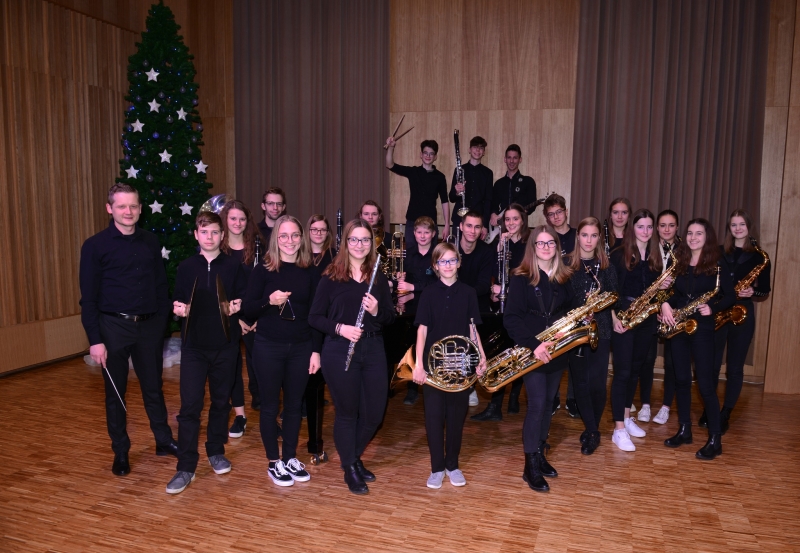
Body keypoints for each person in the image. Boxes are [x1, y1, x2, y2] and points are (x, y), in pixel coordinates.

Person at [79, 183, 176, 477]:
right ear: (110, 209)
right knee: (115, 393)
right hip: (113, 328)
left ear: (140, 209)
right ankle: (120, 450)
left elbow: (160, 286)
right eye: (121, 206)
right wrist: (95, 340)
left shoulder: (150, 241)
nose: (128, 211)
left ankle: (163, 440)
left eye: (133, 205)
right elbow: (88, 298)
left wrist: (160, 324)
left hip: (149, 327)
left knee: (153, 387)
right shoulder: (94, 246)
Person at [309, 219, 396, 494]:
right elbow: (314, 317)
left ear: (372, 244)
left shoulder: (377, 276)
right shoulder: (331, 276)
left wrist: (376, 311)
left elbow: (390, 317)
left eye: (365, 240)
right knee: (347, 413)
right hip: (338, 348)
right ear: (345, 242)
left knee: (374, 414)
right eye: (354, 239)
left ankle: (352, 457)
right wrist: (340, 328)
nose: (360, 245)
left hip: (373, 347)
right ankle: (350, 467)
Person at [167, 211, 247, 494]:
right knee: (190, 407)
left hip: (225, 346)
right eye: (204, 232)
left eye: (214, 232)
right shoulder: (186, 267)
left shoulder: (233, 266)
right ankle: (186, 465)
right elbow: (177, 300)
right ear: (196, 235)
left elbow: (244, 297)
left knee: (221, 403)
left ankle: (215, 450)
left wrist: (238, 306)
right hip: (194, 348)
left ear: (222, 235)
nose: (209, 237)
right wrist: (178, 309)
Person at [243, 215, 321, 486]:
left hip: (301, 347)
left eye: (295, 235)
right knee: (269, 406)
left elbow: (316, 315)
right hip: (268, 346)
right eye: (284, 235)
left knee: (293, 406)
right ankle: (273, 462)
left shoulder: (310, 271)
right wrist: (269, 301)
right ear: (276, 239)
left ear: (302, 238)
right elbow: (248, 309)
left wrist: (316, 351)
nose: (290, 241)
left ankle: (289, 457)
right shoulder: (263, 270)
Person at [503, 225, 574, 492]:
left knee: (548, 405)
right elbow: (511, 318)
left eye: (550, 243)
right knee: (537, 404)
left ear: (557, 247)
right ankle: (530, 465)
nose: (546, 248)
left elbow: (570, 311)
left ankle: (541, 452)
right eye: (540, 243)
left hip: (557, 350)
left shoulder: (564, 277)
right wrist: (534, 345)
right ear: (532, 247)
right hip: (531, 350)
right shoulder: (520, 277)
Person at [413, 242, 487, 488]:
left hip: (461, 366)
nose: (448, 265)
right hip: (433, 366)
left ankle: (452, 465)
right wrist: (418, 365)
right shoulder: (428, 293)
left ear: (459, 263)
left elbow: (472, 329)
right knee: (434, 418)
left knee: (456, 418)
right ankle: (436, 468)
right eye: (442, 261)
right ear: (435, 266)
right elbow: (422, 331)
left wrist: (481, 356)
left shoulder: (468, 293)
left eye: (452, 260)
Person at [661, 218, 734, 460]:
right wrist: (666, 304)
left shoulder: (717, 263)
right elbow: (672, 293)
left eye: (699, 233)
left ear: (707, 236)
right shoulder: (679, 261)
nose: (693, 237)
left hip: (702, 327)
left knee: (705, 385)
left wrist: (713, 307)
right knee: (681, 380)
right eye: (690, 233)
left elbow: (730, 296)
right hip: (680, 325)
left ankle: (715, 439)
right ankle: (685, 430)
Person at [609, 209, 668, 452]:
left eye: (649, 227)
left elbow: (657, 292)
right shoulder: (618, 254)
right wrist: (613, 318)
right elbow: (608, 290)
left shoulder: (656, 256)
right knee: (622, 373)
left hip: (646, 319)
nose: (645, 231)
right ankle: (618, 430)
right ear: (632, 229)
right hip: (623, 317)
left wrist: (663, 288)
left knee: (635, 371)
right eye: (640, 226)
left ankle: (626, 417)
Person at [709, 209, 770, 434]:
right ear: (729, 228)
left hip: (742, 313)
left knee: (735, 368)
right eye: (733, 225)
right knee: (712, 365)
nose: (737, 229)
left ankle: (726, 412)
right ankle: (710, 408)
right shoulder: (717, 252)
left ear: (749, 227)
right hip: (719, 311)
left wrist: (753, 291)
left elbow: (765, 290)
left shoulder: (760, 257)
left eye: (741, 224)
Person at [472, 204, 529, 421]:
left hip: (522, 306)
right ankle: (495, 406)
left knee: (519, 352)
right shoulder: (501, 242)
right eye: (507, 219)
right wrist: (499, 250)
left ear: (522, 221)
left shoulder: (529, 244)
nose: (511, 223)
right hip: (502, 306)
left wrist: (507, 289)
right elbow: (494, 273)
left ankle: (514, 397)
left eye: (515, 219)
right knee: (501, 352)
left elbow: (529, 277)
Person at [566, 217, 617, 455]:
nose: (588, 240)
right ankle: (593, 430)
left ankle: (592, 428)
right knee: (580, 383)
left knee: (597, 384)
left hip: (601, 329)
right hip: (576, 331)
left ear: (599, 238)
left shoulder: (606, 266)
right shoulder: (567, 264)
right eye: (584, 235)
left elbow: (614, 296)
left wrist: (598, 305)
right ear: (578, 236)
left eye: (593, 235)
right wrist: (580, 306)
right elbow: (562, 298)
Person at [220, 200, 265, 438]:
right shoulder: (217, 248)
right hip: (228, 317)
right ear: (225, 220)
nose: (238, 223)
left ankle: (267, 414)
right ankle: (240, 416)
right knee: (232, 368)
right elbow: (217, 288)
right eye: (233, 218)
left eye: (242, 219)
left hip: (254, 315)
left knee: (262, 366)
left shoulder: (257, 247)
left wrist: (257, 316)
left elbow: (265, 283)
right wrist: (235, 319)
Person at [397, 216, 439, 405]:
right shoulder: (408, 254)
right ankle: (412, 388)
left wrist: (413, 287)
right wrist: (399, 278)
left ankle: (434, 382)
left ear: (433, 234)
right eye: (419, 232)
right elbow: (403, 282)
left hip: (432, 307)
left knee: (431, 345)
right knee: (411, 346)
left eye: (426, 232)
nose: (422, 236)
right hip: (411, 307)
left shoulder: (437, 254)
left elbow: (437, 283)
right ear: (414, 233)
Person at [644, 209, 680, 425]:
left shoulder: (684, 251)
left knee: (672, 362)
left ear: (677, 227)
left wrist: (669, 307)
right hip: (650, 310)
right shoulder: (648, 248)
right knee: (647, 359)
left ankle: (666, 406)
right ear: (657, 227)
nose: (667, 229)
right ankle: (645, 404)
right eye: (663, 225)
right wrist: (657, 305)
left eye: (671, 225)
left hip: (673, 311)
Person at [303, 214, 335, 464]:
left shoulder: (334, 258)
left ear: (328, 233)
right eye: (314, 229)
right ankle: (312, 437)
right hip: (303, 325)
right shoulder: (300, 257)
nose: (318, 233)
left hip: (327, 323)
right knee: (308, 381)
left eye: (322, 230)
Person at [544, 194, 578, 417]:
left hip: (575, 297)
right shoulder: (546, 238)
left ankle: (573, 399)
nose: (556, 217)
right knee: (553, 350)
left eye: (559, 212)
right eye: (551, 214)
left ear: (566, 211)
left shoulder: (577, 235)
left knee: (574, 352)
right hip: (553, 300)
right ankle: (553, 397)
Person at [385, 138, 450, 249]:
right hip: (412, 222)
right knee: (411, 254)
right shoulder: (413, 172)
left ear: (435, 157)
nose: (428, 156)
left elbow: (444, 201)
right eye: (425, 153)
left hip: (430, 222)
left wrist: (447, 224)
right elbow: (390, 164)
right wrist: (391, 147)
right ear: (421, 154)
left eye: (431, 154)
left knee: (431, 256)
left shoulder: (440, 177)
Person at [449, 136, 493, 238]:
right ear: (469, 150)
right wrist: (457, 192)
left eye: (481, 148)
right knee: (457, 247)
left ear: (484, 152)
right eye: (475, 147)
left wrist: (485, 225)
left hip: (478, 220)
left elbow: (488, 200)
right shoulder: (459, 170)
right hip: (459, 219)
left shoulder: (488, 173)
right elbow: (451, 197)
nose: (478, 150)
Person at [489, 145, 538, 234]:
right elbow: (493, 204)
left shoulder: (528, 182)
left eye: (515, 158)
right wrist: (493, 214)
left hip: (521, 228)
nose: (512, 161)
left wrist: (519, 214)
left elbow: (532, 205)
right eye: (509, 157)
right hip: (502, 229)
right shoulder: (498, 184)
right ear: (505, 159)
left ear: (520, 159)